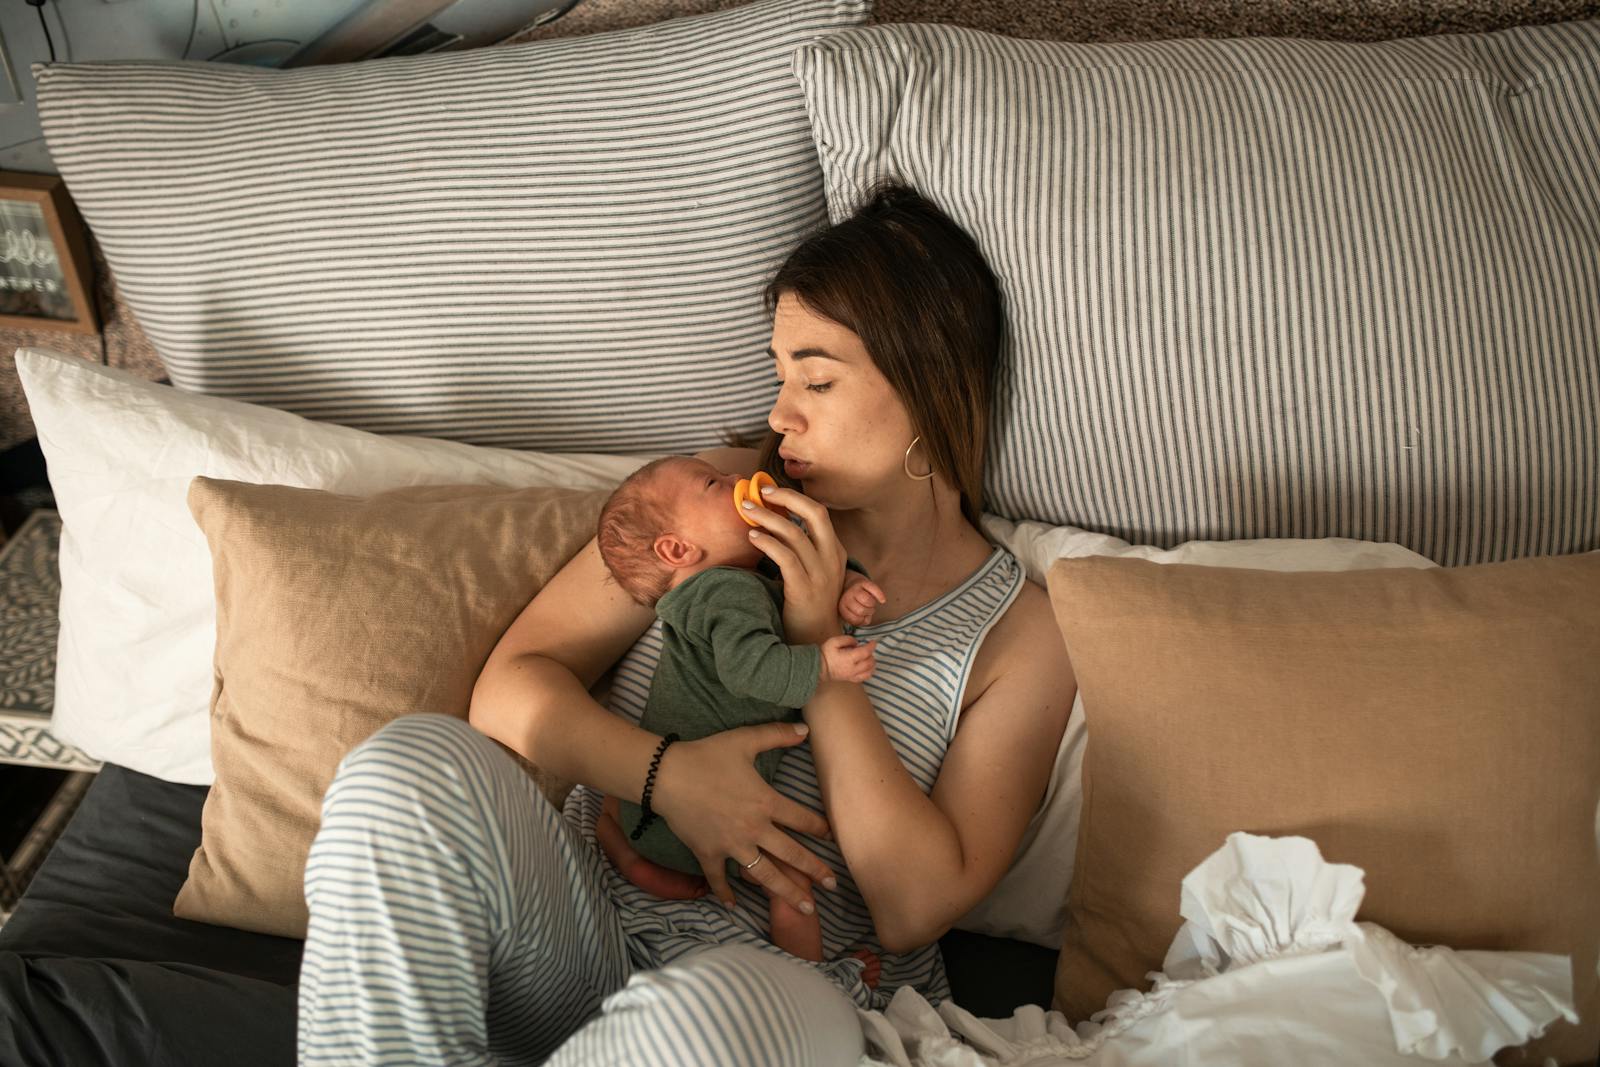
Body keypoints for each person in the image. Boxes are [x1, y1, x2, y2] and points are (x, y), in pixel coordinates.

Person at [295, 180, 1078, 1067]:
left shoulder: (1021, 636)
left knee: (711, 1009)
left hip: (786, 995)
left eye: (817, 379)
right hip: (589, 939)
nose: (782, 417)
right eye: (781, 377)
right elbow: (514, 689)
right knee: (402, 767)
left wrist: (813, 639)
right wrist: (671, 779)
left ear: (929, 386)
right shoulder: (718, 499)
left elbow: (914, 901)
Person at [588, 453, 883, 966]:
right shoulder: (725, 590)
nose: (738, 481)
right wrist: (822, 664)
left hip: (654, 806)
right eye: (714, 483)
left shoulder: (737, 584)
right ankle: (816, 980)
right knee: (793, 891)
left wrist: (848, 585)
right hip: (707, 816)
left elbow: (807, 581)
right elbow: (749, 671)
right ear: (678, 548)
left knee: (609, 805)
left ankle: (631, 859)